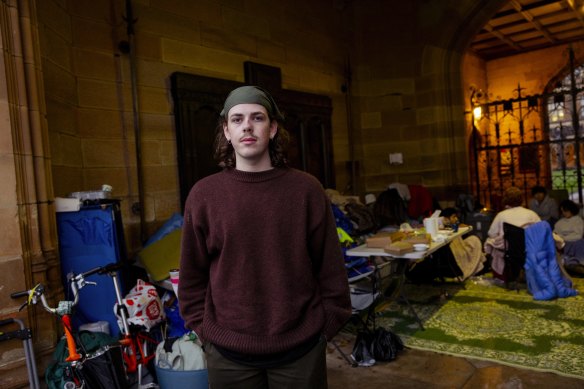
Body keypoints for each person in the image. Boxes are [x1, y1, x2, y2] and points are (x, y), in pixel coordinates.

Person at [178, 85, 352, 388]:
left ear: (272, 128)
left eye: (257, 118)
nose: (247, 126)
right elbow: (192, 275)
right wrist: (205, 332)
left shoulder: (306, 191)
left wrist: (325, 329)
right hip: (228, 354)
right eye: (237, 119)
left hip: (300, 349)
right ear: (226, 131)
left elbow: (330, 269)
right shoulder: (204, 195)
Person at [485, 187, 541, 278]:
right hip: (529, 248)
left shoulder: (501, 215)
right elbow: (540, 231)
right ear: (521, 199)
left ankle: (502, 273)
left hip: (509, 250)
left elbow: (492, 233)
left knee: (491, 242)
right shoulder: (532, 214)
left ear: (506, 199)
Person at [554, 199, 584, 271]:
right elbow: (555, 235)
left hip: (575, 244)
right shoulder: (559, 223)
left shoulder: (578, 220)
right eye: (562, 211)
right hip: (563, 244)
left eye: (566, 211)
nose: (564, 213)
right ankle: (569, 263)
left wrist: (563, 237)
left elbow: (578, 236)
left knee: (579, 242)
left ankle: (580, 263)